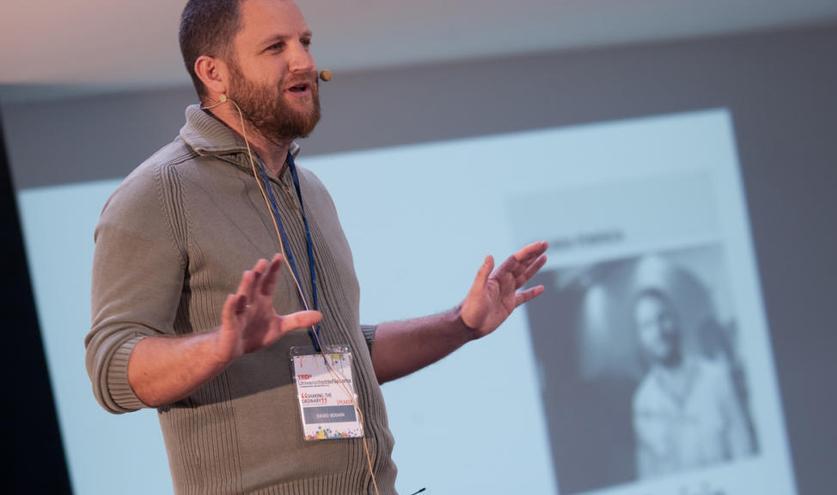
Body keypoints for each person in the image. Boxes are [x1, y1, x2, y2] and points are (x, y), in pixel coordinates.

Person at [83, 0, 548, 493]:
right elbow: (112, 368)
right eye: (274, 47)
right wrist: (222, 347)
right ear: (213, 72)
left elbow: (341, 354)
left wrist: (461, 326)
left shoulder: (311, 191)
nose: (303, 60)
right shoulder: (155, 194)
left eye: (304, 42)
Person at [631, 288, 751, 479]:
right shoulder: (642, 402)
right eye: (647, 325)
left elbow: (744, 452)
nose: (658, 331)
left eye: (663, 318)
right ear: (641, 337)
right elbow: (649, 478)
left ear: (676, 320)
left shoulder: (716, 378)